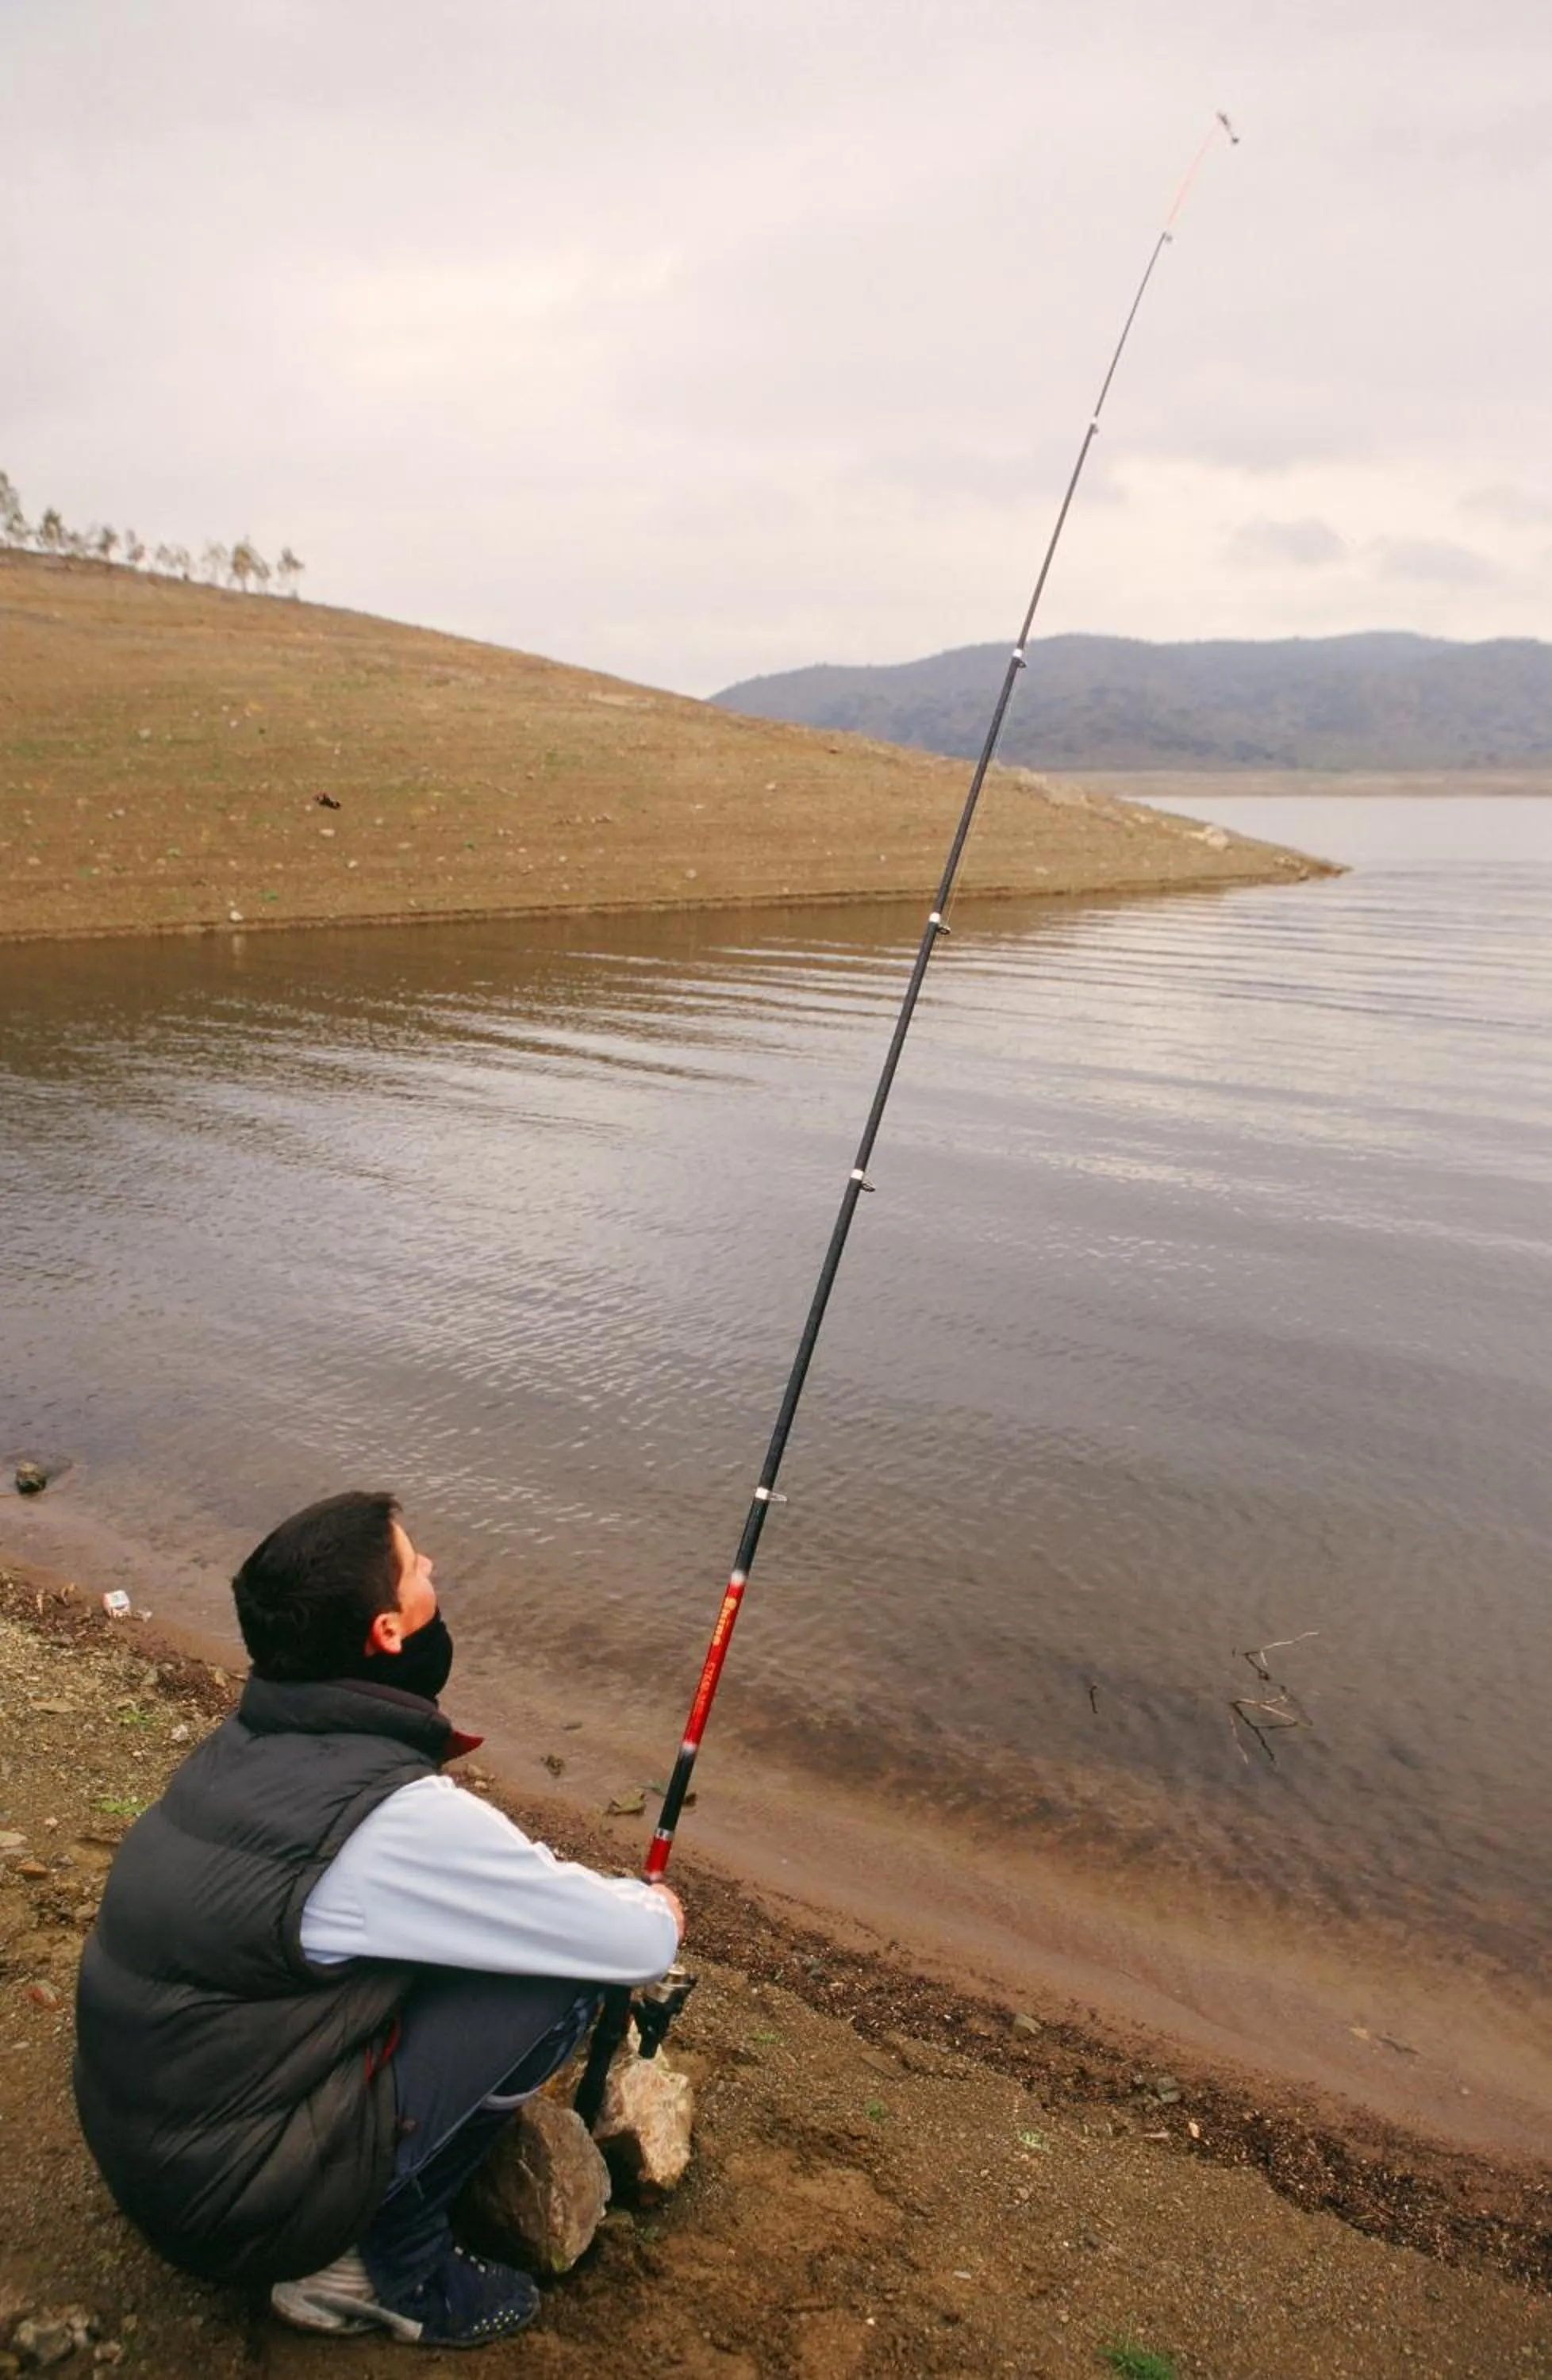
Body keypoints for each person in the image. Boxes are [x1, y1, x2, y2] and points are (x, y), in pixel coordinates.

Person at [73, 1491, 683, 2350]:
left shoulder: (245, 1749)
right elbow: (636, 1944)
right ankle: (377, 2268)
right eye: (414, 1565)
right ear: (389, 1633)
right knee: (564, 1978)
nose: (432, 1570)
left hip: (160, 2154)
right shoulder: (389, 1818)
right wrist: (655, 1904)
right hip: (240, 2209)